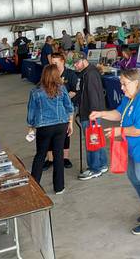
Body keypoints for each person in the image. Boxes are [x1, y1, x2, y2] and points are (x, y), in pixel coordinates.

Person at [90, 69, 140, 235]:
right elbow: (120, 113)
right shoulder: (130, 97)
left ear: (135, 82)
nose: (121, 87)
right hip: (135, 146)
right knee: (134, 176)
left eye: (124, 84)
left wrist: (119, 132)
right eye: (121, 83)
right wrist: (102, 113)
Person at [27, 64, 74, 195]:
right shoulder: (62, 89)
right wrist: (70, 123)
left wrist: (31, 127)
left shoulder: (36, 91)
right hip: (61, 125)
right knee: (58, 155)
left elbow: (31, 111)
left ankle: (34, 187)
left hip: (44, 127)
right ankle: (59, 187)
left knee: (40, 155)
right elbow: (69, 107)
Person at [75, 53, 109, 180]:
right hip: (90, 112)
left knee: (91, 141)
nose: (75, 66)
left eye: (77, 63)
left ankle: (94, 168)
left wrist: (93, 114)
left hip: (90, 114)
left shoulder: (90, 74)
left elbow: (94, 95)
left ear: (84, 60)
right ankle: (102, 163)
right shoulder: (86, 73)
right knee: (97, 139)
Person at [43, 54, 77, 171]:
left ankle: (65, 158)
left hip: (65, 108)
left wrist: (63, 97)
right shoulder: (50, 74)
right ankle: (50, 159)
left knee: (66, 133)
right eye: (52, 62)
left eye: (56, 62)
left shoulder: (71, 74)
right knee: (49, 133)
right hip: (50, 109)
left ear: (63, 61)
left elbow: (75, 91)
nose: (54, 65)